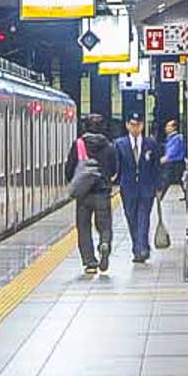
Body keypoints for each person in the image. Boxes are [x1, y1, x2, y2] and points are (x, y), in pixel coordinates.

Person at [65, 113, 118, 275]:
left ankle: (89, 262)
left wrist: (77, 182)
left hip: (83, 195)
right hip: (102, 193)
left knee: (83, 227)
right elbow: (114, 170)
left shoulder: (79, 144)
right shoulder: (109, 146)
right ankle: (105, 243)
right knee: (105, 225)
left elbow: (69, 170)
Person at [114, 112, 160, 264]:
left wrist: (158, 186)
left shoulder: (150, 143)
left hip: (146, 188)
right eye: (132, 125)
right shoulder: (120, 144)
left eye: (138, 125)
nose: (135, 128)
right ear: (127, 125)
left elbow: (156, 166)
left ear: (142, 125)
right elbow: (117, 167)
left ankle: (142, 250)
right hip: (127, 188)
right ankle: (138, 247)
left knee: (143, 217)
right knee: (131, 218)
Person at [158, 118, 187, 202]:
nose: (166, 128)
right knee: (179, 180)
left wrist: (165, 159)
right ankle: (186, 195)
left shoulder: (177, 138)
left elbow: (172, 151)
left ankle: (160, 196)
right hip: (174, 162)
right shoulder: (171, 138)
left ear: (174, 127)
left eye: (168, 126)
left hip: (175, 163)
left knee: (166, 179)